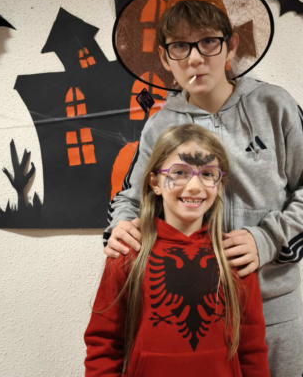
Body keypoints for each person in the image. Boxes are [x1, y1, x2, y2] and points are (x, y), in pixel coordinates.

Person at [105, 0, 303, 375]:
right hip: (192, 315)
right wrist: (121, 227)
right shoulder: (159, 126)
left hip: (272, 310)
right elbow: (132, 197)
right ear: (165, 56)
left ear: (231, 45)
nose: (195, 58)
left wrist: (267, 239)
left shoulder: (274, 105)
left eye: (208, 42)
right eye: (180, 46)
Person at [85, 124, 270, 377]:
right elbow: (103, 344)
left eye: (208, 174)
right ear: (155, 183)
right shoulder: (129, 252)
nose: (194, 186)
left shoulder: (234, 255)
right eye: (180, 172)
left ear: (219, 184)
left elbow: (252, 348)